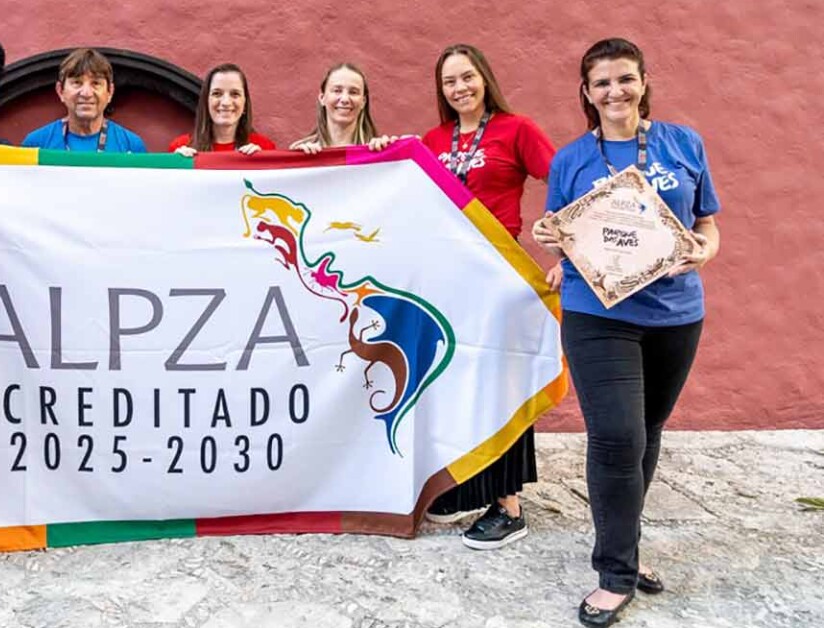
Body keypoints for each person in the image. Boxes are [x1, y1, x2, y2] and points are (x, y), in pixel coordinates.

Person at [532, 38, 720, 626]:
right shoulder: (571, 160)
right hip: (598, 315)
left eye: (625, 78)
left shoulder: (683, 143)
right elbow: (564, 232)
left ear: (643, 82)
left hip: (675, 314)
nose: (615, 91)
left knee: (647, 431)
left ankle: (626, 546)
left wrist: (705, 251)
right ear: (587, 94)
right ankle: (615, 572)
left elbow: (707, 222)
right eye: (602, 83)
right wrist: (550, 239)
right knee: (616, 436)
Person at [419, 44, 556, 551]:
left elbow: (565, 180)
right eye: (449, 81)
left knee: (501, 382)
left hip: (499, 275)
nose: (460, 88)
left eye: (467, 77)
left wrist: (565, 249)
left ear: (485, 78)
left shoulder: (517, 130)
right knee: (456, 381)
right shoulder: (433, 140)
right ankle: (465, 487)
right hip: (450, 279)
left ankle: (508, 505)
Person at [21, 48, 146, 152]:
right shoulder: (36, 144)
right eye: (77, 83)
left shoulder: (131, 146)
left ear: (110, 92)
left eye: (96, 83)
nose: (86, 93)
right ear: (60, 91)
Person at [169, 63, 275, 156]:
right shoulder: (181, 146)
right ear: (206, 101)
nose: (226, 102)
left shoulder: (264, 148)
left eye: (235, 94)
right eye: (217, 93)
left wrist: (262, 162)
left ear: (245, 103)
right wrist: (177, 164)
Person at [290, 63, 386, 153]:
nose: (345, 99)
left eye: (353, 92)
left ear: (363, 102)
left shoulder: (377, 151)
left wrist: (387, 152)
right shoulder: (304, 150)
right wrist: (300, 158)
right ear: (322, 98)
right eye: (337, 91)